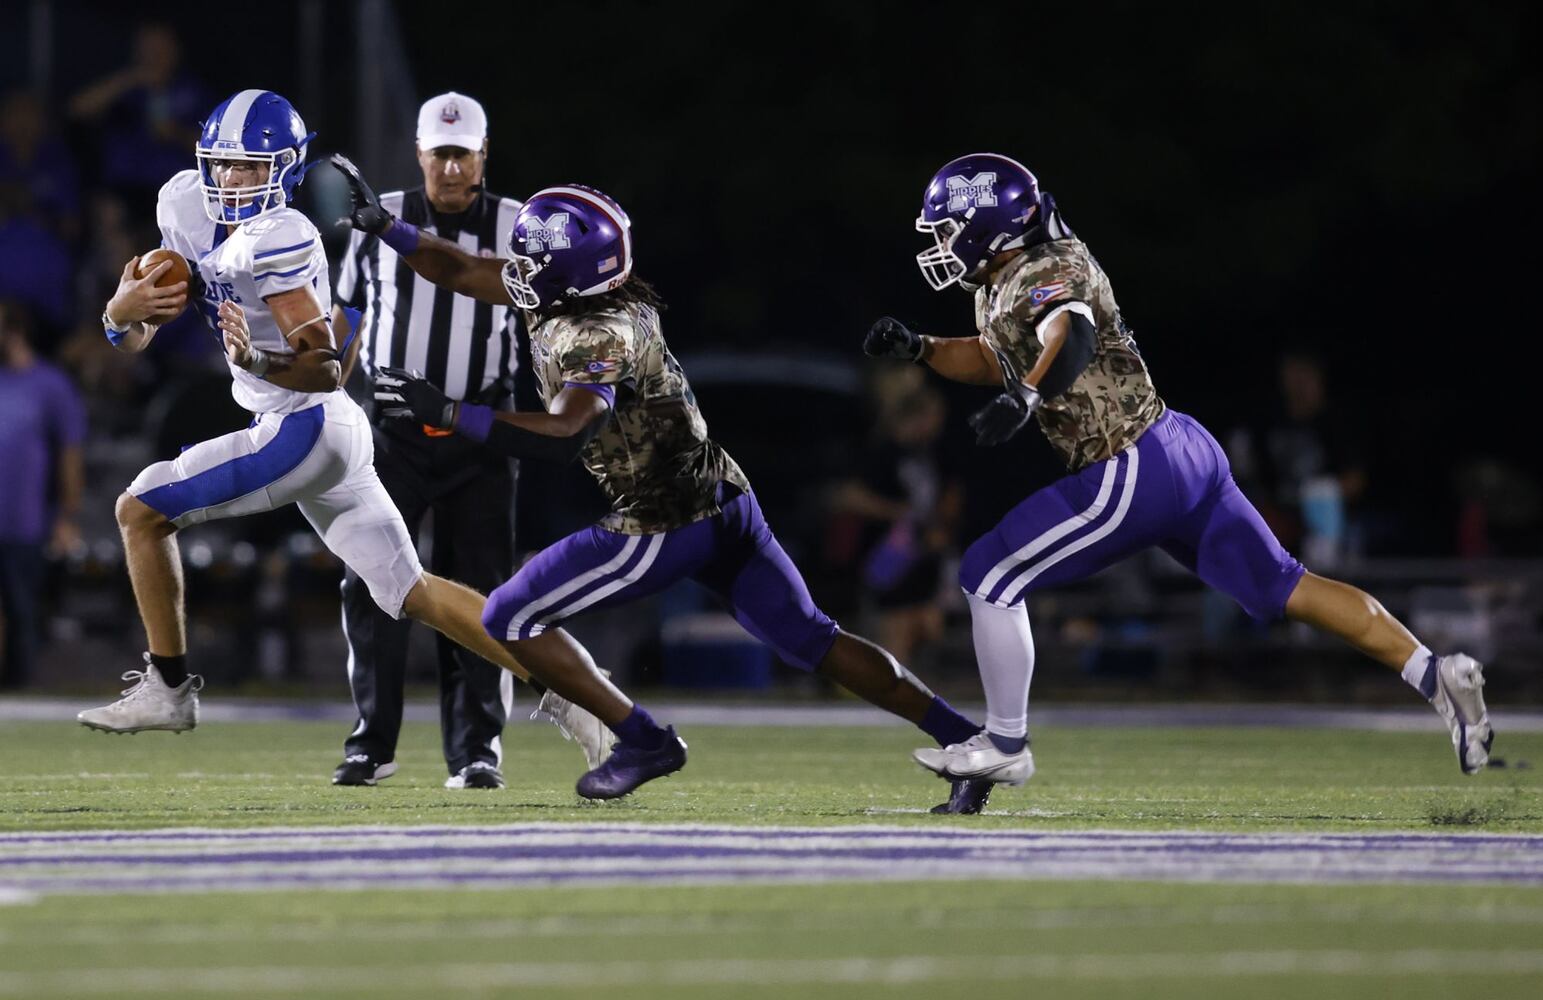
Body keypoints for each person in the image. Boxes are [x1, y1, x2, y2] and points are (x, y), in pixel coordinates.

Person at [331, 157, 994, 812]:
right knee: (813, 639)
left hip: (663, 519)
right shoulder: (578, 290)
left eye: (534, 259)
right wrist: (389, 227)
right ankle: (966, 741)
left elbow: (566, 434)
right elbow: (462, 268)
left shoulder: (599, 330)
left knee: (508, 616)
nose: (519, 270)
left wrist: (447, 413)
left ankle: (642, 739)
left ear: (567, 268)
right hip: (723, 498)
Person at [862, 153, 1493, 790]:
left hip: (1132, 462)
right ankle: (1436, 674)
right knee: (1287, 585)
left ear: (986, 223)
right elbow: (989, 355)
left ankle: (1004, 744)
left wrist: (1026, 397)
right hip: (1178, 447)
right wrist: (921, 349)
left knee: (989, 572)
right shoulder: (1010, 275)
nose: (942, 243)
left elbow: (1070, 335)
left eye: (947, 227)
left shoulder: (1049, 268)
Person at [75, 90, 609, 780]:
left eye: (250, 168)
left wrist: (256, 360)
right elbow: (137, 334)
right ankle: (580, 695)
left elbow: (325, 368)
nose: (234, 182)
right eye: (224, 166)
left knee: (139, 509)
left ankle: (169, 688)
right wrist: (121, 315)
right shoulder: (181, 203)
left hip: (304, 425)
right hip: (332, 432)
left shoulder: (281, 236)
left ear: (285, 170)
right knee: (414, 592)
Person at [329, 92, 549, 790]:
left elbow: (536, 324)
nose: (451, 168)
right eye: (440, 153)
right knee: (374, 583)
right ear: (420, 154)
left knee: (481, 591)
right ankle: (372, 742)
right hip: (391, 433)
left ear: (483, 156)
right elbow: (347, 322)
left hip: (478, 432)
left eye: (463, 154)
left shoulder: (520, 225)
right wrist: (326, 394)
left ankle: (476, 748)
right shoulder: (377, 216)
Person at [0, 301, 85, 689]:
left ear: (14, 331)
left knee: (22, 609)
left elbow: (69, 453)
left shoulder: (49, 384)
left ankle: (22, 692)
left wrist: (66, 516)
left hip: (25, 519)